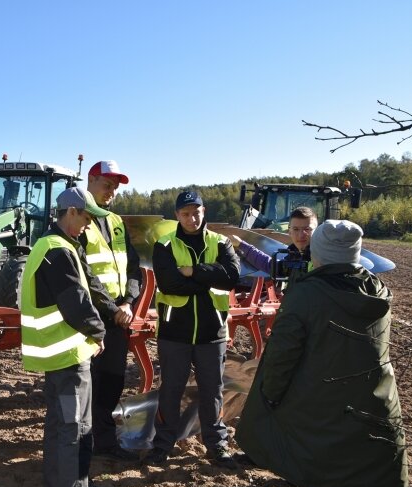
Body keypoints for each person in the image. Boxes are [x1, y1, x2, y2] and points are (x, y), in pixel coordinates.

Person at [236, 220, 408, 487]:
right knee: (349, 481)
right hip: (367, 404)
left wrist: (270, 397)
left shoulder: (307, 295)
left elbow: (282, 358)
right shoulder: (376, 292)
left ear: (320, 254)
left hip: (320, 408)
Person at [20, 186, 112, 487]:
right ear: (71, 212)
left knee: (59, 430)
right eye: (87, 218)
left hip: (56, 358)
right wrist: (99, 332)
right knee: (75, 435)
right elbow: (75, 303)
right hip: (70, 359)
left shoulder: (47, 246)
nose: (89, 225)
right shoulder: (58, 250)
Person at [144, 191, 240, 468]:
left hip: (213, 332)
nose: (192, 218)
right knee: (170, 390)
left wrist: (192, 270)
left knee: (212, 391)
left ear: (204, 211)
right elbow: (170, 283)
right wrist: (209, 277)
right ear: (177, 215)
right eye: (185, 213)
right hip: (175, 332)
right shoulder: (164, 245)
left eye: (196, 212)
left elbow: (231, 278)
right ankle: (162, 445)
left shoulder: (221, 242)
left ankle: (216, 445)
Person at [81, 160, 142, 462]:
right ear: (90, 181)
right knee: (88, 382)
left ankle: (104, 441)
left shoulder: (116, 222)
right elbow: (82, 273)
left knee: (112, 380)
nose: (112, 192)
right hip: (89, 317)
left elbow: (133, 266)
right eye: (107, 185)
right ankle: (85, 444)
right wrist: (111, 308)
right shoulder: (77, 218)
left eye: (115, 188)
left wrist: (128, 302)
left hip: (119, 316)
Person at [229, 206, 317, 276]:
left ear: (317, 231)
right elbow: (270, 266)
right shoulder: (294, 256)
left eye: (307, 229)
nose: (301, 235)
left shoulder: (323, 258)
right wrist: (241, 244)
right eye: (296, 229)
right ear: (289, 232)